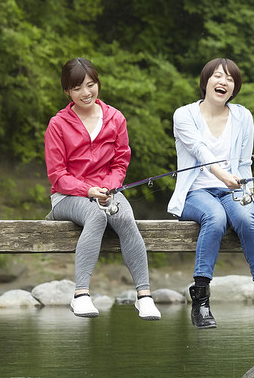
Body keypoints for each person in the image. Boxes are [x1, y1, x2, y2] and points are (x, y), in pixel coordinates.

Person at [168, 57, 254, 329]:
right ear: (206, 81)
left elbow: (244, 164)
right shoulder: (184, 115)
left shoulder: (243, 116)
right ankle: (201, 301)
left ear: (234, 88)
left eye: (230, 79)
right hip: (196, 192)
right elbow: (200, 152)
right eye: (218, 76)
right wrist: (223, 176)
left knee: (245, 219)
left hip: (232, 190)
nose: (223, 82)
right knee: (216, 218)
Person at [44, 57, 161, 321]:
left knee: (126, 217)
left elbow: (120, 162)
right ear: (67, 92)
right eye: (77, 88)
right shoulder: (58, 124)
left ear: (98, 84)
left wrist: (107, 187)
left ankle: (144, 296)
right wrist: (88, 191)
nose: (86, 93)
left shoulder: (115, 118)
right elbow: (57, 175)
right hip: (67, 196)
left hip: (108, 191)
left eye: (90, 85)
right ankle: (81, 295)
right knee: (96, 214)